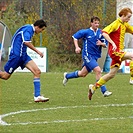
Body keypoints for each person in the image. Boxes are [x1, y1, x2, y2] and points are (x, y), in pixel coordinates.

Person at [88, 7, 133, 100]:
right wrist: (112, 43)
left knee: (111, 74)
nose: (129, 19)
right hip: (115, 51)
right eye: (128, 17)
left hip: (119, 52)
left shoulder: (125, 24)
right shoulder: (116, 24)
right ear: (123, 15)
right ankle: (132, 78)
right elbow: (104, 32)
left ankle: (93, 87)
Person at [0, 19, 49, 102]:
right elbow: (26, 42)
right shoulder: (28, 29)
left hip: (23, 56)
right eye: (42, 29)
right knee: (5, 76)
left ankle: (37, 96)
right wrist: (38, 51)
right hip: (16, 56)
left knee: (37, 71)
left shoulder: (29, 29)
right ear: (37, 26)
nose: (41, 31)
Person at [63, 16, 112, 97]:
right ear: (91, 23)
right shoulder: (86, 32)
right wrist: (77, 47)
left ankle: (67, 76)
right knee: (98, 70)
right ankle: (104, 91)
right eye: (95, 23)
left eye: (98, 23)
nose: (97, 25)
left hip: (95, 56)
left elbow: (105, 45)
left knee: (83, 73)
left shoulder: (101, 33)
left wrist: (102, 44)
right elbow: (75, 37)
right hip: (87, 55)